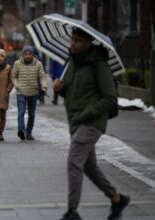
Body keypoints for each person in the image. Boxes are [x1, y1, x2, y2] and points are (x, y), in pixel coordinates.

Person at [54, 28, 130, 220]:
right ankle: (116, 198)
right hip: (76, 122)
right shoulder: (72, 62)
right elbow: (72, 94)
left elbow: (110, 98)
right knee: (89, 167)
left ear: (88, 43)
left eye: (78, 41)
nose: (73, 43)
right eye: (72, 39)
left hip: (91, 122)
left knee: (73, 162)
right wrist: (60, 89)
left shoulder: (99, 65)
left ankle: (72, 211)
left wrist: (86, 114)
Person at [11, 45, 47, 141]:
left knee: (32, 114)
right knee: (21, 112)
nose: (27, 56)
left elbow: (42, 76)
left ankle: (29, 132)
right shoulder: (17, 63)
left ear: (33, 55)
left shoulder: (38, 64)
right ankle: (21, 131)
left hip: (33, 92)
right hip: (21, 92)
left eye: (29, 54)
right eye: (25, 54)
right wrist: (17, 85)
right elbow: (13, 76)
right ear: (23, 55)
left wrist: (44, 86)